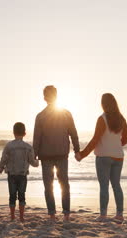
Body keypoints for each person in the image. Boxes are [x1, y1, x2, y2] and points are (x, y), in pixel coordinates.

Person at [75, 93, 127, 223]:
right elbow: (126, 138)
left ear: (103, 104)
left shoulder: (102, 119)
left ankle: (103, 215)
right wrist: (116, 146)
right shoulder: (122, 119)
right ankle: (120, 214)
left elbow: (95, 140)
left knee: (104, 186)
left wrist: (82, 154)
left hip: (103, 157)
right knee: (116, 185)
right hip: (118, 157)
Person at [33, 85, 80, 221]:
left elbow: (37, 138)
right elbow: (73, 133)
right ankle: (66, 214)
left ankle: (52, 214)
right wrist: (77, 150)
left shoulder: (40, 116)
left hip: (46, 155)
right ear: (56, 96)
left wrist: (34, 156)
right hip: (61, 154)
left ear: (44, 98)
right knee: (64, 183)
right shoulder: (66, 113)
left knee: (48, 185)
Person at [0, 122, 39, 222]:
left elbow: (4, 159)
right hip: (22, 175)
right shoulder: (28, 147)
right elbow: (32, 162)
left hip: (11, 174)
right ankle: (21, 217)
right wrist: (37, 162)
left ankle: (12, 216)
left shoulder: (9, 146)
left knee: (12, 195)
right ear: (25, 133)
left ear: (13, 132)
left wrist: (0, 168)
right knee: (22, 195)